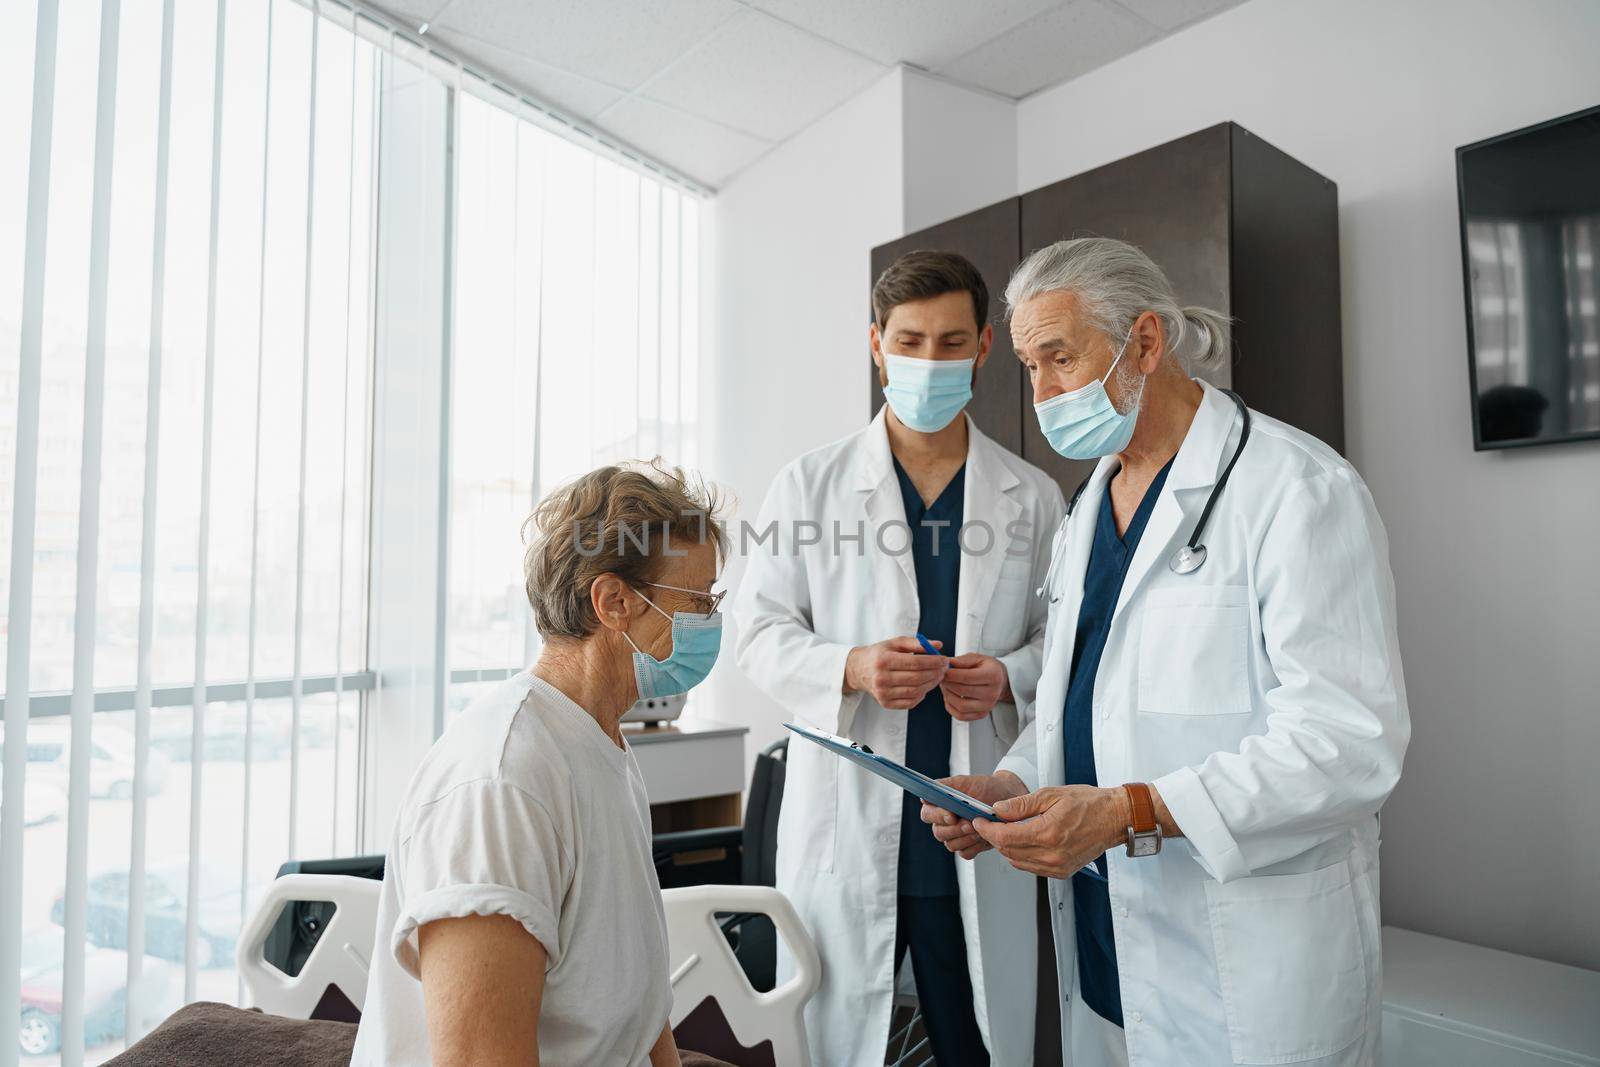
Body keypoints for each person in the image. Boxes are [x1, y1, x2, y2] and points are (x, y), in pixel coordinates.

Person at [922, 237, 1410, 1067]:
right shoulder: (1086, 513)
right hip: (1112, 953)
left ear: (1145, 343)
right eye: (1030, 368)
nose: (1041, 393)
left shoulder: (1296, 487)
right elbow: (1083, 704)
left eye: (1060, 358)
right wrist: (1012, 783)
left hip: (1247, 968)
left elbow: (1347, 744)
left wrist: (1128, 811)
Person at [732, 251, 1066, 1066]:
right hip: (848, 828)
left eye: (952, 342)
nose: (929, 361)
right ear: (876, 344)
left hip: (973, 830)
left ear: (987, 347)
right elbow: (757, 631)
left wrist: (1008, 675)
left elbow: (1064, 646)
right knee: (842, 1043)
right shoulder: (809, 486)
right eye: (910, 340)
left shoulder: (1033, 495)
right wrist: (849, 667)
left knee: (975, 1048)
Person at [352, 461, 728, 1067]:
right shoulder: (501, 781)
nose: (710, 621)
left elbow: (636, 1004)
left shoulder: (601, 743)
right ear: (613, 602)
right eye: (698, 601)